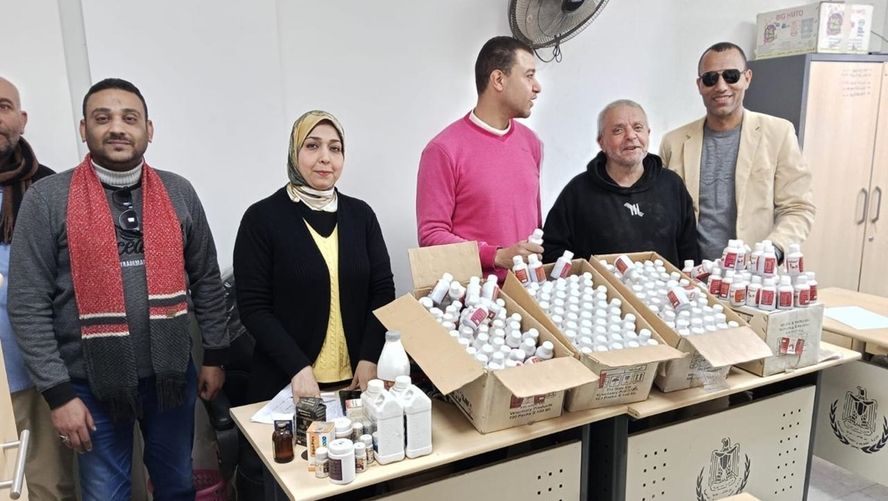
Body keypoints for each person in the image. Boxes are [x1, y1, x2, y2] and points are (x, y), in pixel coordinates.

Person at [8, 78, 228, 501]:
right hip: (88, 386)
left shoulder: (178, 192)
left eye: (129, 118)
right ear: (83, 128)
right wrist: (58, 395)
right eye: (102, 118)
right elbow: (27, 304)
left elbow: (206, 278)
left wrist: (215, 355)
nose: (116, 128)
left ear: (149, 129)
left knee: (178, 486)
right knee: (105, 495)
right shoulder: (47, 199)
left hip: (170, 378)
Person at [233, 110, 395, 497]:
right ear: (295, 152)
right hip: (289, 388)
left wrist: (369, 357)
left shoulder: (361, 215)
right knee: (295, 487)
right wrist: (297, 366)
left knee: (353, 484)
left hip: (352, 390)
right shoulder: (262, 219)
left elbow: (383, 290)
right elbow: (253, 307)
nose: (325, 158)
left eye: (335, 149)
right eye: (313, 146)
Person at [660, 41, 815, 261]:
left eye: (731, 76)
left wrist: (774, 249)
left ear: (747, 78)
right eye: (710, 78)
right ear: (700, 85)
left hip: (753, 273)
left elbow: (798, 207)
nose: (721, 86)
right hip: (690, 274)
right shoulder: (673, 142)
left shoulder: (778, 133)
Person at [0, 77, 76, 500]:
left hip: (37, 371)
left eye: (3, 106)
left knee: (49, 487)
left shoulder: (49, 191)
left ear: (22, 119)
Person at [417, 36, 543, 279]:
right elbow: (431, 235)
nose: (537, 87)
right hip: (473, 295)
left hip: (528, 291)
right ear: (498, 80)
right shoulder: (443, 150)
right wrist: (495, 256)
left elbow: (534, 223)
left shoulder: (531, 142)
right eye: (529, 76)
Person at [543, 100, 699, 267]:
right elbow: (552, 252)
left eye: (638, 127)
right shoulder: (578, 192)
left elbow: (689, 253)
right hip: (599, 284)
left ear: (648, 134)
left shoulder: (671, 185)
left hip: (665, 284)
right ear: (601, 142)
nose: (631, 136)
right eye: (618, 130)